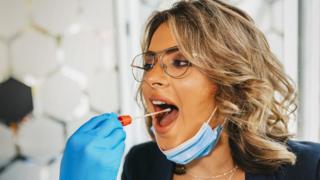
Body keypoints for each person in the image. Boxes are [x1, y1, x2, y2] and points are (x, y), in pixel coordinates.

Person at [59, 0, 320, 180]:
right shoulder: (141, 165)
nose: (151, 78)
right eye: (149, 64)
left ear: (230, 83)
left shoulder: (310, 169)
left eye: (180, 62)